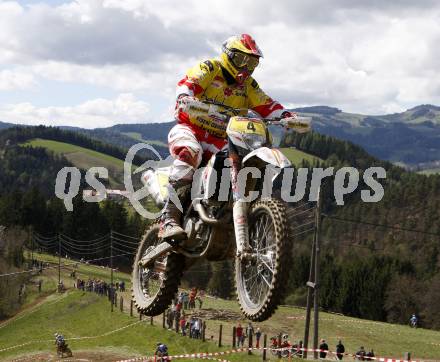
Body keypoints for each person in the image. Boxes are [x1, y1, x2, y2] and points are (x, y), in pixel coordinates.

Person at [160, 33, 297, 240]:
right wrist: (185, 96)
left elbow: (266, 104)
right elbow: (188, 83)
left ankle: (231, 212)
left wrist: (286, 116)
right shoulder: (210, 68)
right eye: (241, 60)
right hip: (191, 129)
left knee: (243, 163)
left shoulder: (248, 85)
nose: (245, 67)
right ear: (228, 55)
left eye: (251, 63)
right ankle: (168, 219)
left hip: (221, 139)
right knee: (191, 153)